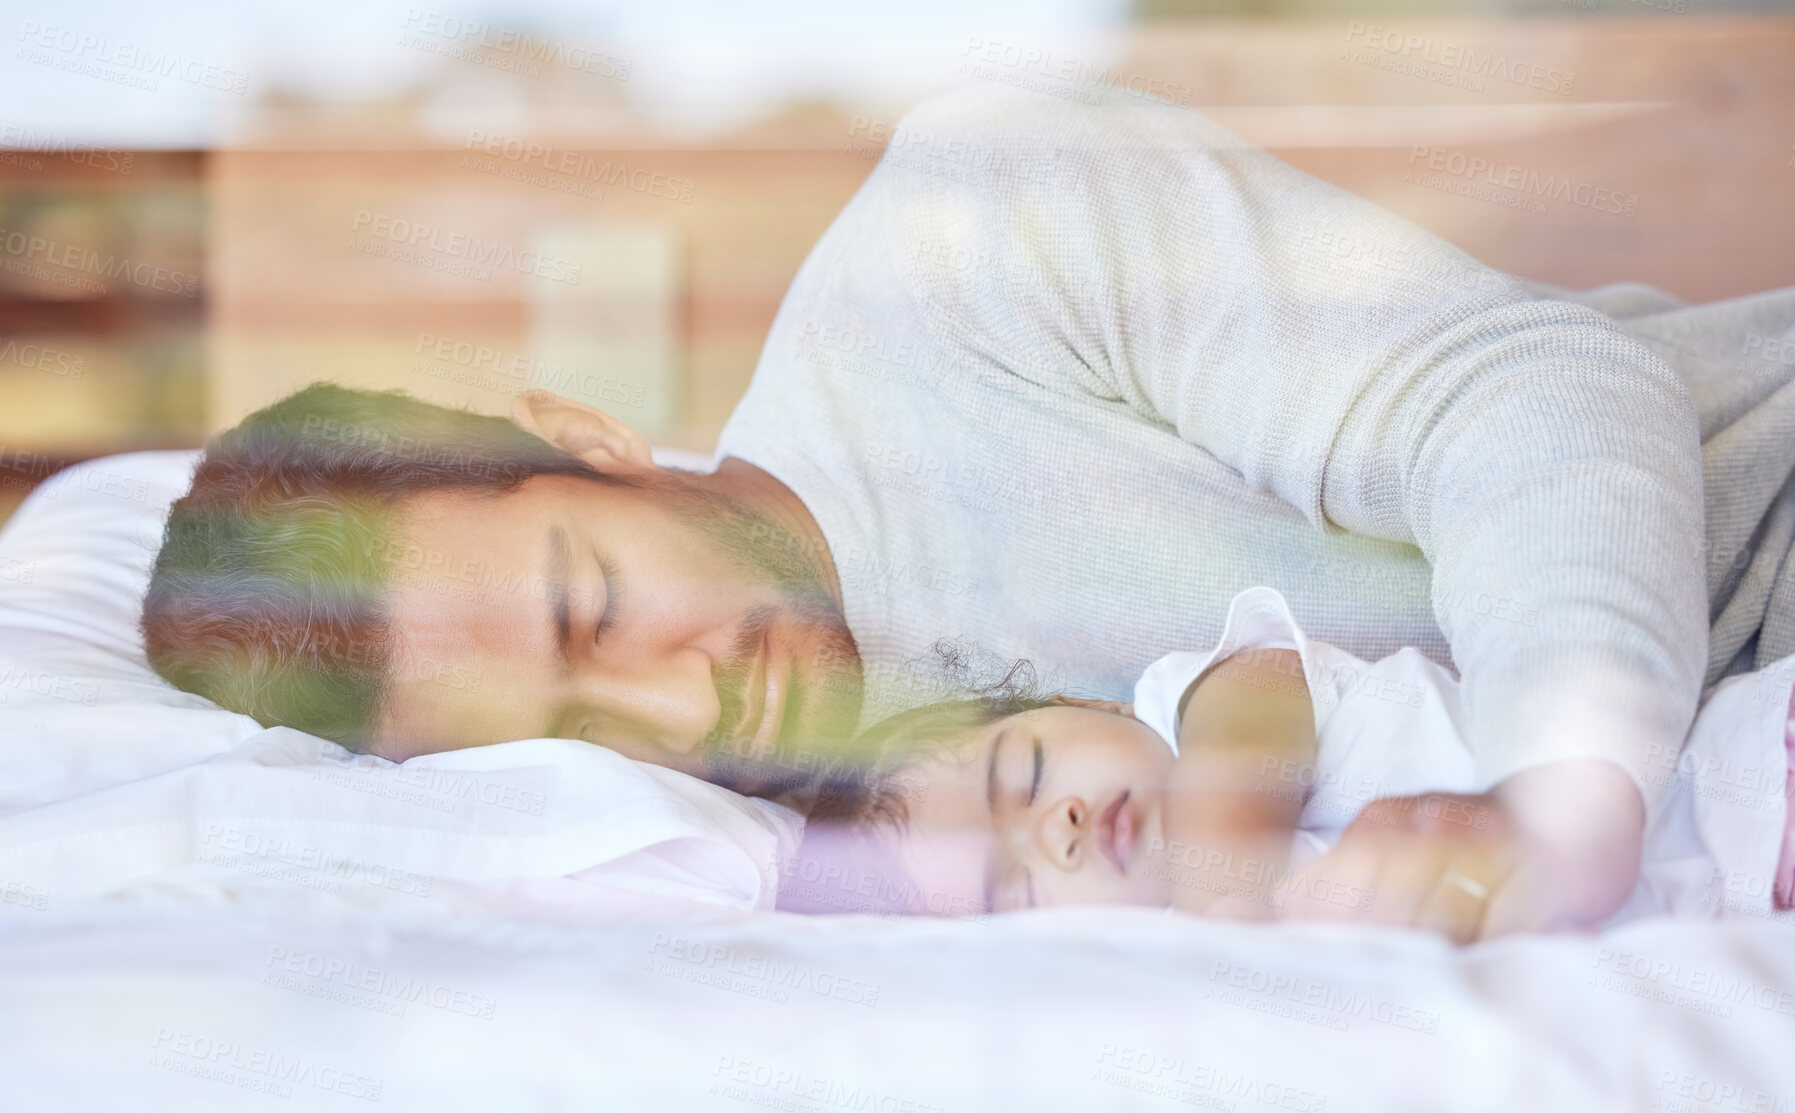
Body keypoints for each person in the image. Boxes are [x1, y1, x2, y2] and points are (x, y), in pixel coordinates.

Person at [141, 81, 1795, 936]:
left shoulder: (976, 228)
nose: (682, 700)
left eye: (596, 607)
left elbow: (1536, 394)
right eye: (568, 724)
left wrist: (1560, 807)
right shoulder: (851, 852)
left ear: (590, 435)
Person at [780, 587, 1795, 941]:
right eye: (1015, 883)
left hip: (1747, 765)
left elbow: (1259, 695)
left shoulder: (1191, 705)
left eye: (1030, 778)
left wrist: (1232, 891)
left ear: (1079, 705)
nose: (1063, 827)